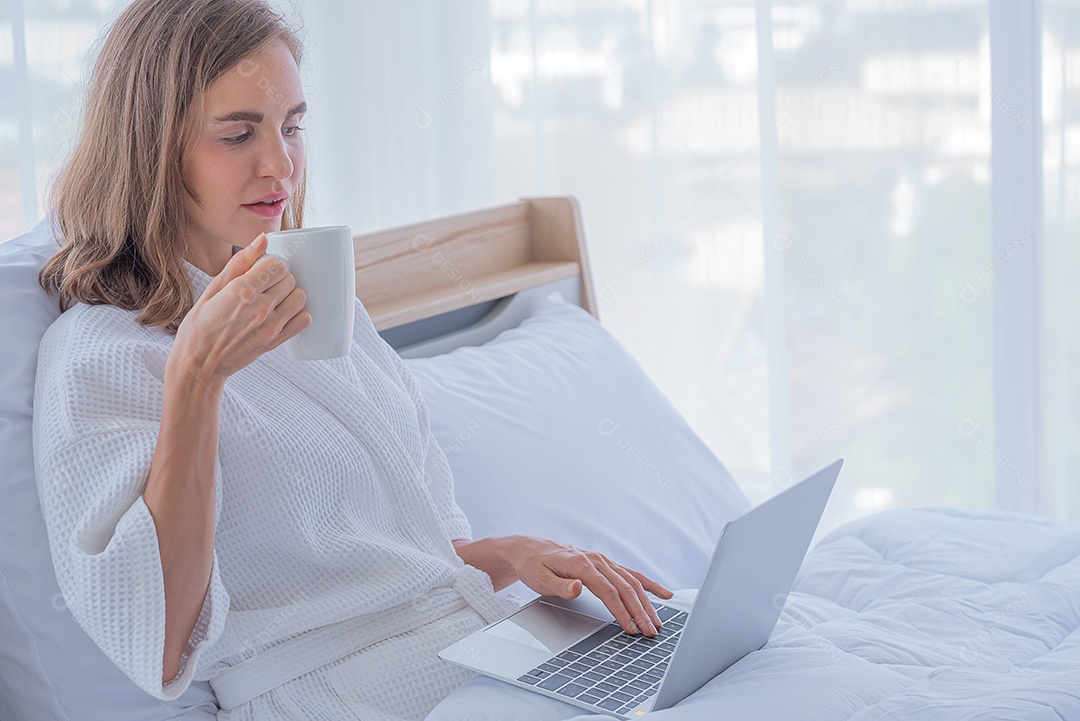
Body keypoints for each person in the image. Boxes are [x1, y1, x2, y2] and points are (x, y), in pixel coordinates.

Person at [32, 1, 672, 719]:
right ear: (148, 145)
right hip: (335, 696)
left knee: (734, 665)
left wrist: (509, 554)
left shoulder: (312, 293)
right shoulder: (100, 357)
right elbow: (159, 642)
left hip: (472, 652)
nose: (280, 164)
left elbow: (387, 567)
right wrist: (196, 377)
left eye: (293, 126)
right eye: (239, 133)